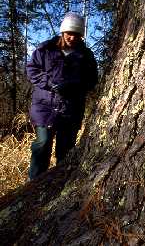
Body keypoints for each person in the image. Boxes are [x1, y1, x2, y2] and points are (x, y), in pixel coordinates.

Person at [26, 12, 98, 180]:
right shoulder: (45, 49)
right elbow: (32, 70)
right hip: (45, 108)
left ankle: (59, 184)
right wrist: (50, 83)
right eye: (69, 33)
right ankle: (34, 182)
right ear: (62, 32)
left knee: (65, 150)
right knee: (42, 144)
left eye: (77, 34)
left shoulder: (86, 55)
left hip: (71, 109)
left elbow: (92, 80)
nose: (72, 37)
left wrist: (73, 86)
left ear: (81, 36)